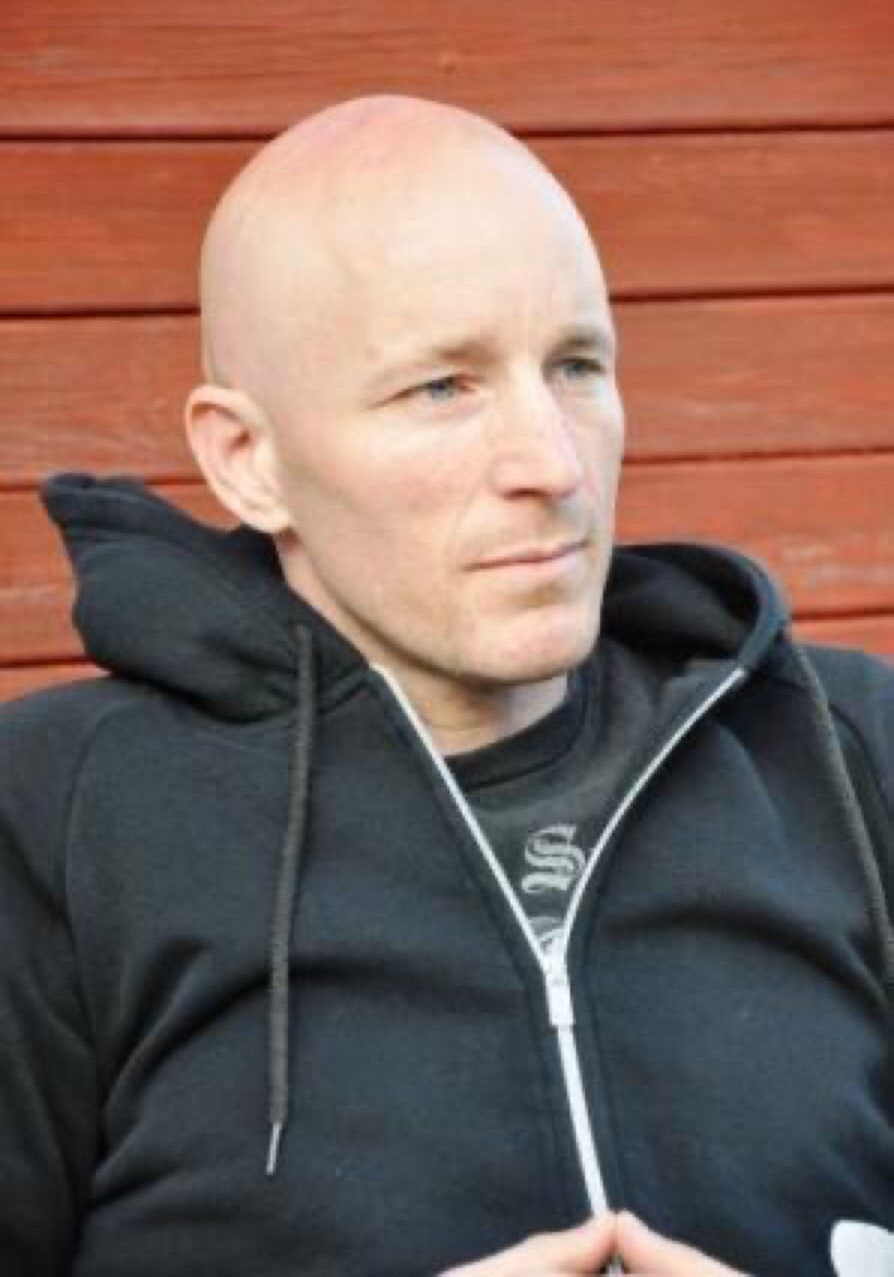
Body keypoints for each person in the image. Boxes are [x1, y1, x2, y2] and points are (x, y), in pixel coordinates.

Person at [0, 94, 890, 1277]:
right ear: (249, 460)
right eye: (442, 388)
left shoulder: (850, 751)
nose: (554, 465)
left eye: (576, 365)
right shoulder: (53, 822)